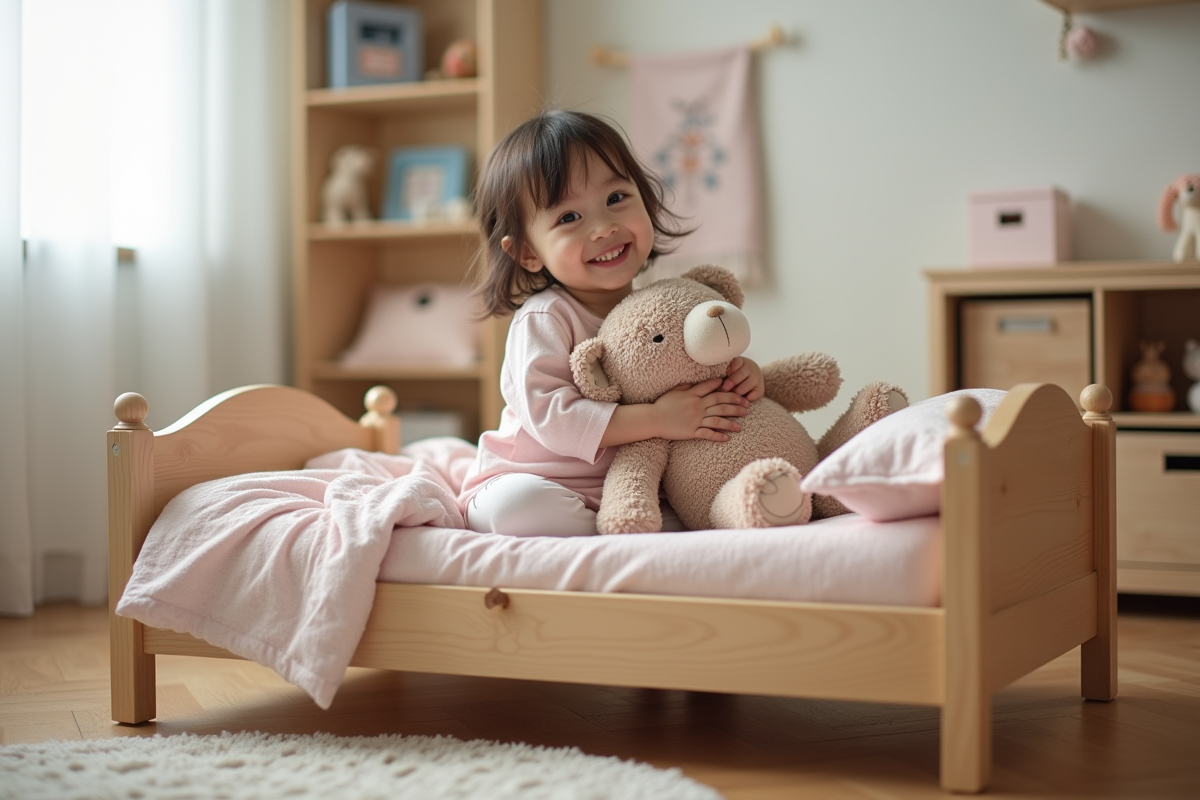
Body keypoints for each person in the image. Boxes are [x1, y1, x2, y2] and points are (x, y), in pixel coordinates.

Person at [459, 109, 764, 536]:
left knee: (703, 504)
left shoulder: (658, 307)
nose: (603, 227)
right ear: (527, 252)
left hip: (633, 486)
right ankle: (618, 535)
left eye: (616, 198)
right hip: (539, 481)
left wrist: (740, 377)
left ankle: (629, 529)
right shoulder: (545, 317)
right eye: (568, 218)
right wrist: (659, 419)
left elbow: (693, 373)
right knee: (517, 508)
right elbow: (553, 417)